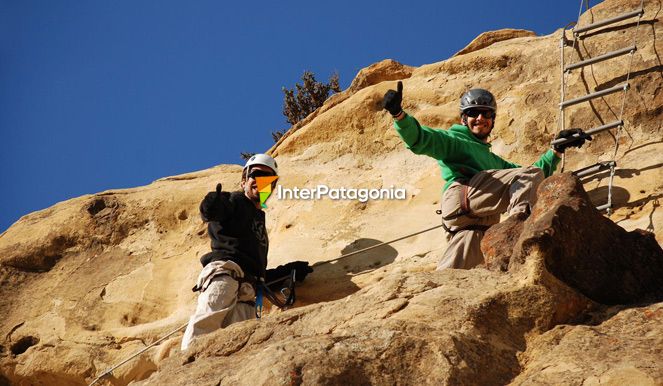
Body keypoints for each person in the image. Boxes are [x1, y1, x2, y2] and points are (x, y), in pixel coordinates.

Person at [382, 81, 590, 270]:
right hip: (463, 197)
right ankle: (520, 225)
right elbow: (421, 139)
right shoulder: (454, 140)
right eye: (473, 113)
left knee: (452, 275)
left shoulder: (494, 161)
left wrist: (556, 151)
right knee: (527, 178)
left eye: (486, 114)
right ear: (464, 119)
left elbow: (532, 175)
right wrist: (399, 115)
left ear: (492, 120)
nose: (480, 118)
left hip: (473, 225)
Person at [181, 154, 308, 350]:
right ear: (244, 181)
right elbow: (214, 211)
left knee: (238, 346)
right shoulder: (235, 201)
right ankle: (185, 368)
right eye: (256, 175)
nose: (262, 182)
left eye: (269, 179)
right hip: (226, 274)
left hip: (248, 292)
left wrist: (287, 272)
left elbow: (257, 271)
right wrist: (212, 203)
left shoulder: (258, 220)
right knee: (205, 326)